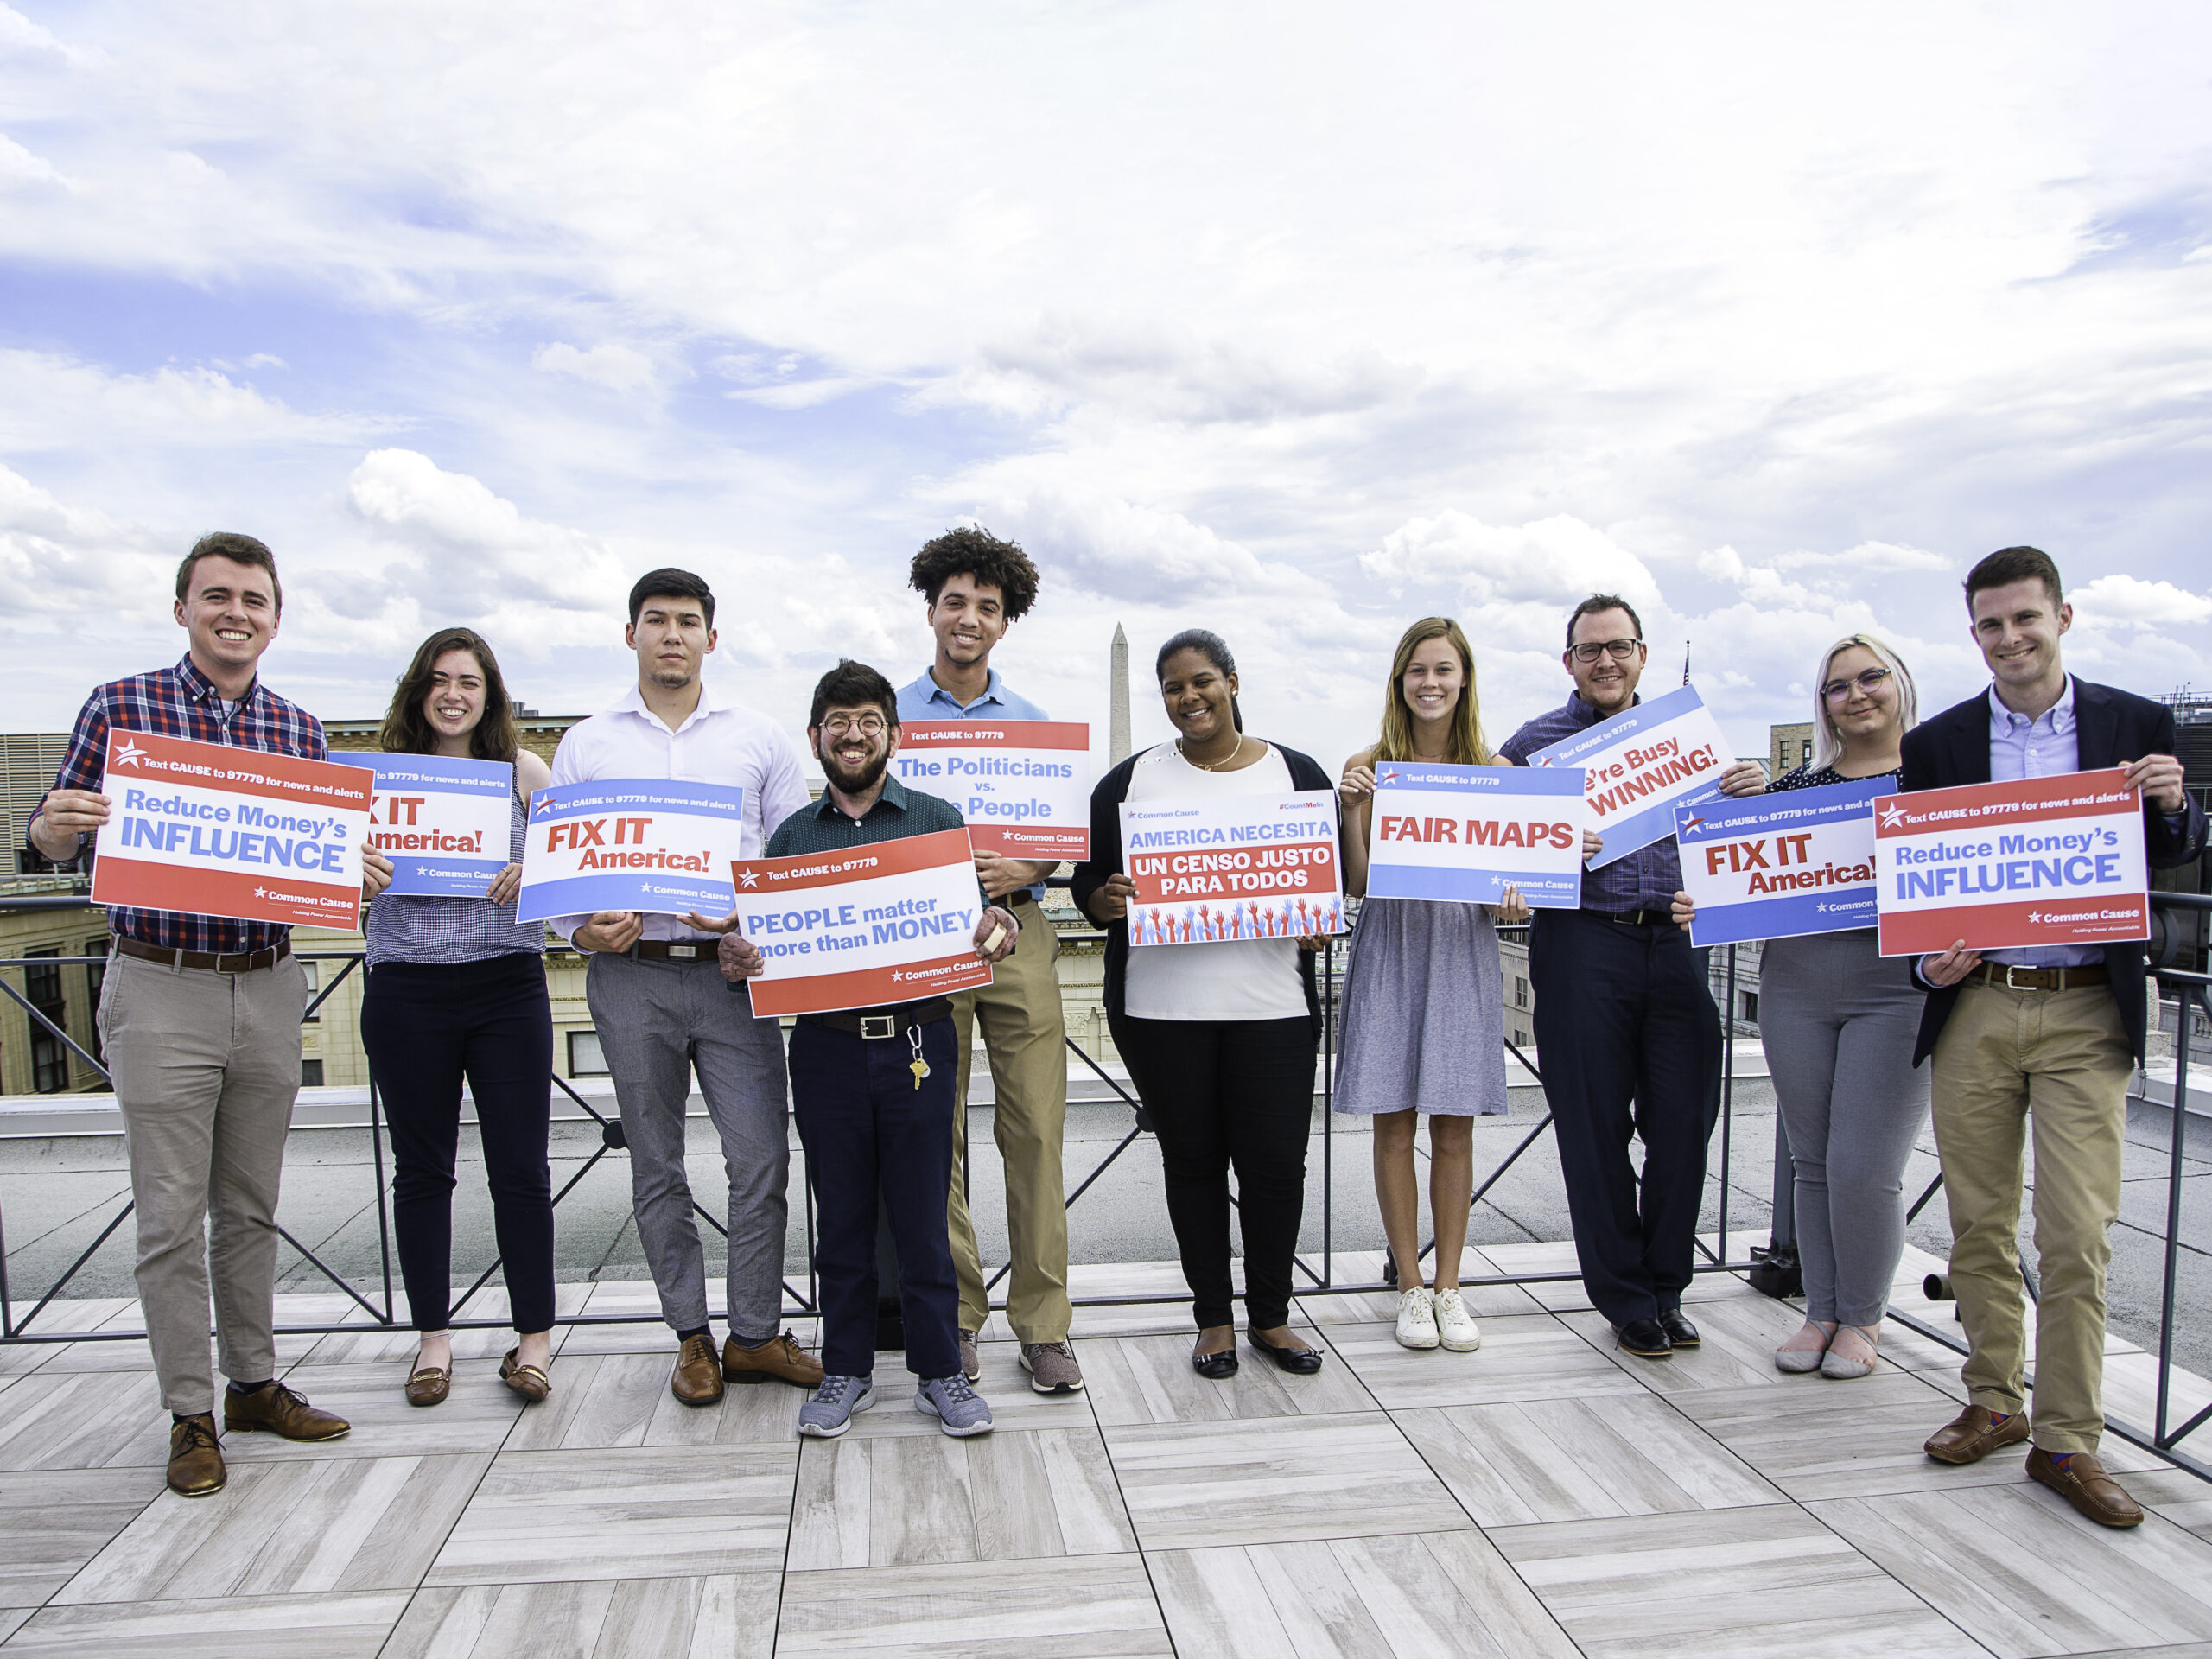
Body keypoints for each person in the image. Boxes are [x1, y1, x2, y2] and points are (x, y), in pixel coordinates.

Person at [28, 533, 392, 1497]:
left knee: (251, 1206)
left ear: (276, 617)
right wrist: (48, 826)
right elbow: (53, 837)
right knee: (168, 1216)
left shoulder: (299, 731)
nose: (237, 613)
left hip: (268, 983)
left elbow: (315, 867)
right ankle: (189, 1412)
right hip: (161, 983)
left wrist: (350, 872)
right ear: (183, 608)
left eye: (254, 600)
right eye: (218, 596)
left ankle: (253, 1384)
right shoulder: (121, 706)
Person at [1908, 546, 2204, 1528]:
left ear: (2062, 618)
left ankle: (2069, 1440)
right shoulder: (1940, 742)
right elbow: (1918, 886)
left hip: (2085, 1009)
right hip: (1980, 1005)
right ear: (1974, 634)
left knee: (2076, 1232)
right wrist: (1928, 968)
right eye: (1991, 624)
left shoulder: (2134, 724)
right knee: (1978, 1222)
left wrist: (2175, 803)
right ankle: (1994, 1399)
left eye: (2025, 618)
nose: (2010, 638)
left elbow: (2175, 850)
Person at [715, 661, 1020, 1439]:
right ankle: (845, 1370)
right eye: (839, 723)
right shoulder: (794, 835)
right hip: (827, 1050)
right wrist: (740, 956)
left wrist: (1001, 926)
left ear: (894, 734)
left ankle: (940, 1372)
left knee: (923, 1216)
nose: (854, 736)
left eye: (869, 722)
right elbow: (763, 943)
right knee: (842, 1217)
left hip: (919, 1040)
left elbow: (979, 920)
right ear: (816, 737)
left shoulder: (937, 820)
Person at [548, 569, 823, 1406]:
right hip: (630, 977)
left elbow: (792, 859)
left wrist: (750, 921)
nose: (673, 634)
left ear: (712, 636)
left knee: (760, 1158)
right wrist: (580, 933)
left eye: (688, 621)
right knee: (656, 1164)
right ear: (630, 633)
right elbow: (558, 876)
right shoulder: (586, 744)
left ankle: (755, 1334)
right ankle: (691, 1337)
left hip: (729, 979)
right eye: (657, 620)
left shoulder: (759, 738)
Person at [1498, 594, 1767, 1359]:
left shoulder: (1690, 741)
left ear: (1642, 656)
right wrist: (1541, 850)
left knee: (1684, 1123)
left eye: (1619, 647)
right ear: (1569, 663)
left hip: (1675, 946)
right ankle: (1626, 1299)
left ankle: (1668, 1286)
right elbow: (1493, 843)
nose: (1606, 661)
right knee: (1593, 1129)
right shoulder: (1532, 746)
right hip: (1583, 943)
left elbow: (1733, 853)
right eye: (1590, 650)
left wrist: (1754, 793)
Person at [1071, 630, 1336, 1379]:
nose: (1189, 697)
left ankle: (1273, 1316)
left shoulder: (1297, 773)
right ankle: (1213, 1319)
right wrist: (1106, 899)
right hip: (1162, 1011)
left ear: (1232, 682)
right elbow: (1088, 882)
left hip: (1273, 1006)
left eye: (1202, 682)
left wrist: (1318, 920)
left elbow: (1326, 882)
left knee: (1276, 1167)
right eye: (1173, 687)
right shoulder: (1127, 783)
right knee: (1192, 1165)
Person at [1670, 633, 1929, 1379]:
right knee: (1812, 1161)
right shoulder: (1794, 791)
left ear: (1900, 684)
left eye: (1871, 678)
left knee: (1865, 1166)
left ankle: (1864, 1318)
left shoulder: (1936, 782)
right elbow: (1741, 878)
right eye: (1837, 687)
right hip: (1796, 989)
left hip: (1897, 992)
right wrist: (1705, 903)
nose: (1857, 695)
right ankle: (1821, 1311)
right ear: (1824, 706)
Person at [896, 527, 1080, 1395]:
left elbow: (1060, 841)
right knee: (937, 1132)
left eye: (987, 607)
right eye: (956, 602)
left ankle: (1044, 1326)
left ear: (1005, 623)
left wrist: (1029, 866)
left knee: (1036, 1130)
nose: (969, 618)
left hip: (1018, 932)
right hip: (925, 939)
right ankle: (957, 1315)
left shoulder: (1037, 727)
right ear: (932, 610)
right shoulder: (891, 718)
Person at [357, 628, 558, 1407]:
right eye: (440, 680)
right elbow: (333, 886)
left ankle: (533, 1341)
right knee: (421, 1172)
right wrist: (355, 873)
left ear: (490, 695)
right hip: (407, 988)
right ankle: (432, 1341)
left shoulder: (524, 772)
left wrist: (533, 870)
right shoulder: (378, 780)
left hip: (507, 986)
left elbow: (572, 871)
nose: (453, 695)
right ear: (418, 691)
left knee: (521, 1171)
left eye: (469, 682)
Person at [1337, 618, 1528, 1354]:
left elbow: (1511, 893)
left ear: (1464, 678)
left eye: (1444, 669)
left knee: (1454, 1125)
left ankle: (1451, 1286)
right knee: (1393, 1122)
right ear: (1399, 680)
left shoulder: (1497, 771)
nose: (1431, 682)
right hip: (1391, 942)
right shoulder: (1368, 764)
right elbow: (1358, 883)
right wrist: (1353, 809)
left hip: (1459, 945)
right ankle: (1410, 1287)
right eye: (1417, 669)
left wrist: (1515, 901)